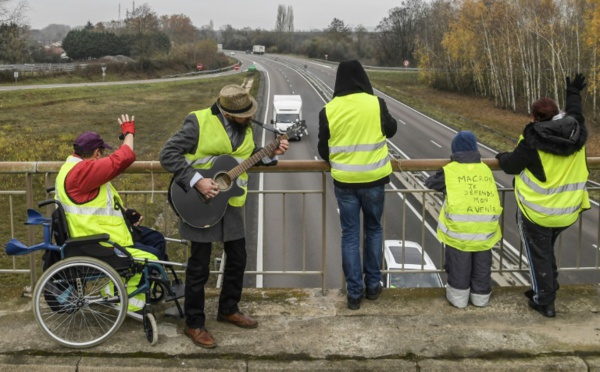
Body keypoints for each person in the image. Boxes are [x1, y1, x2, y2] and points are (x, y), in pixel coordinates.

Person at [160, 84, 289, 349]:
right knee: (199, 267)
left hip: (230, 203)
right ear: (228, 113)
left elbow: (244, 159)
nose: (250, 117)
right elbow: (168, 154)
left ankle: (228, 308)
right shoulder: (198, 122)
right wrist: (198, 181)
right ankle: (194, 324)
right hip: (198, 203)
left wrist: (269, 154)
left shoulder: (246, 127)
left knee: (238, 258)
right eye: (245, 115)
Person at [496, 73, 590, 318]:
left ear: (535, 118)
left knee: (539, 255)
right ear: (558, 114)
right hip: (569, 210)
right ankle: (547, 286)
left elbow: (511, 166)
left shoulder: (532, 140)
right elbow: (576, 112)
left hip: (537, 213)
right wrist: (573, 91)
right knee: (545, 251)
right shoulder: (576, 131)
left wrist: (500, 156)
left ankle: (544, 301)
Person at [55, 115, 167, 313]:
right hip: (101, 241)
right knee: (154, 256)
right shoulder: (83, 172)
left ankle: (142, 288)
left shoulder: (71, 168)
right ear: (97, 153)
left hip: (100, 233)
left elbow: (96, 202)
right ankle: (125, 299)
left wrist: (126, 213)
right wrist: (128, 133)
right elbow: (124, 157)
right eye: (101, 152)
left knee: (156, 239)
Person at [317, 60, 397, 310]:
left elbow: (323, 149)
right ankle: (373, 286)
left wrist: (342, 161)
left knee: (349, 236)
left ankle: (354, 294)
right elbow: (391, 130)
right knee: (373, 230)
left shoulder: (328, 109)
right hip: (374, 180)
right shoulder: (376, 103)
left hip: (345, 182)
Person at [425, 131, 502, 308]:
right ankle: (480, 298)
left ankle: (458, 300)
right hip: (485, 232)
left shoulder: (450, 171)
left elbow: (430, 183)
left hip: (459, 233)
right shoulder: (486, 170)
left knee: (459, 266)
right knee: (482, 266)